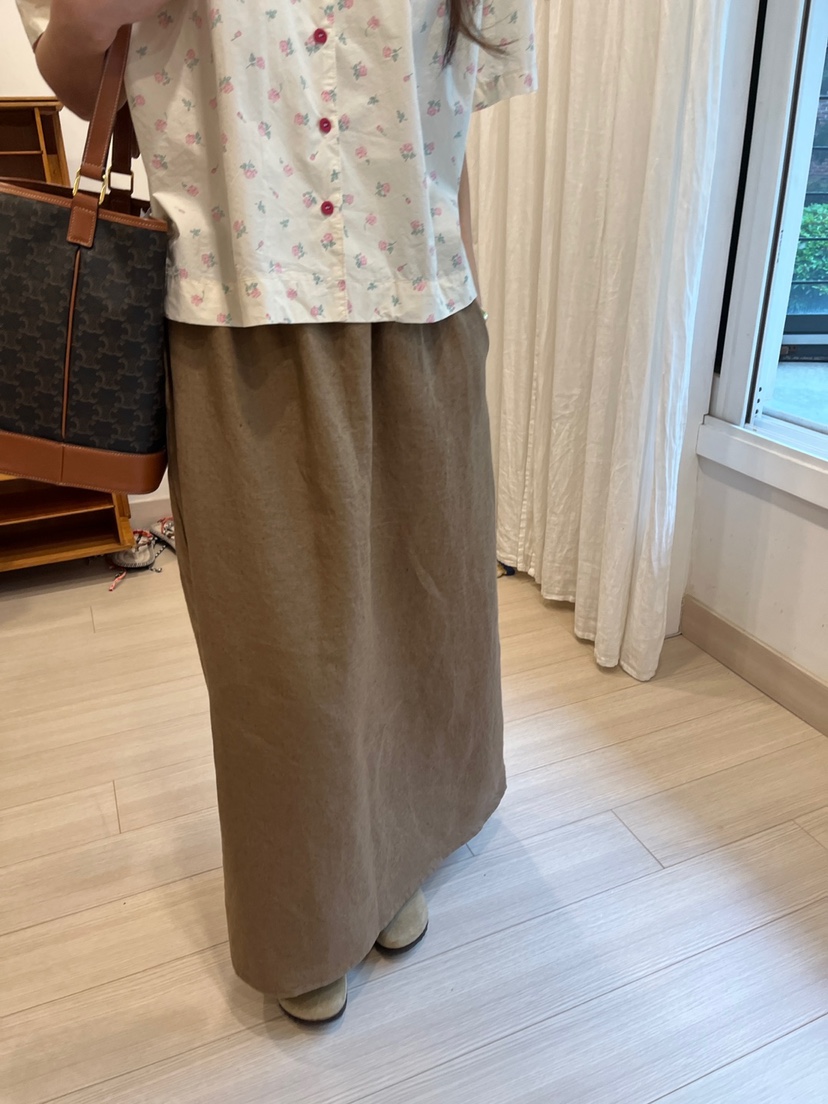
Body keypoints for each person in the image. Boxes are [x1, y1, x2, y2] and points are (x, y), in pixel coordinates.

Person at [17, 0, 538, 1024]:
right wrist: (92, 15)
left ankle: (391, 857)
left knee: (423, 619)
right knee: (279, 656)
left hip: (421, 303)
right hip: (241, 305)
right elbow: (79, 77)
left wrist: (469, 312)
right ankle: (306, 915)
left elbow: (449, 120)